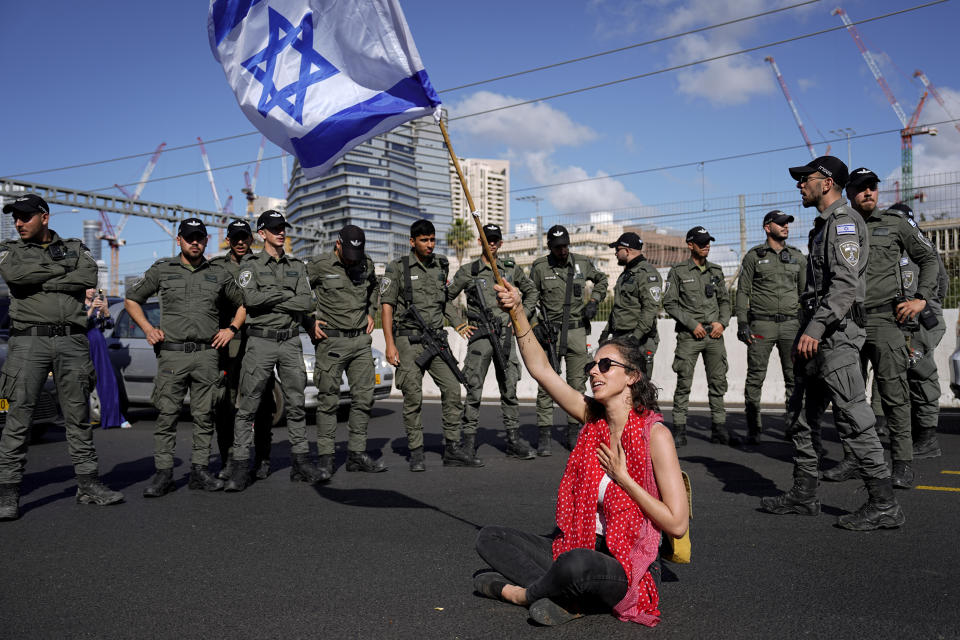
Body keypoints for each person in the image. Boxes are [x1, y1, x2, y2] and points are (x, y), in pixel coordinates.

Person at [473, 279, 688, 627]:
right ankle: (568, 597)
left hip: (624, 562)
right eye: (592, 365)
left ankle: (520, 593)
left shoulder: (655, 435)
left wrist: (625, 479)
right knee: (490, 537)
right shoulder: (593, 418)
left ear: (632, 376)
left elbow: (677, 525)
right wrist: (517, 311)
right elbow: (542, 370)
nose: (593, 371)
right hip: (579, 540)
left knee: (577, 566)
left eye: (605, 366)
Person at [760, 156, 904, 530]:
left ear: (826, 182)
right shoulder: (822, 226)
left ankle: (884, 504)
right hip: (816, 337)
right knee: (801, 417)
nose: (799, 185)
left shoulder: (843, 223)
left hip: (835, 337)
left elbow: (844, 286)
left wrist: (816, 328)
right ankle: (804, 494)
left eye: (804, 179)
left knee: (855, 419)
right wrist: (807, 332)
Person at [0, 193, 123, 520]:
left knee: (78, 416)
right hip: (29, 343)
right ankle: (8, 493)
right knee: (18, 418)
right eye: (16, 217)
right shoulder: (10, 250)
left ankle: (88, 485)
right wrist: (59, 270)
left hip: (72, 341)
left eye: (26, 216)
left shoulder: (76, 247)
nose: (19, 222)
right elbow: (16, 277)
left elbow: (87, 277)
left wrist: (40, 273)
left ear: (45, 217)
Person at [821, 169, 939, 489]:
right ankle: (853, 458)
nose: (868, 193)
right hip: (846, 321)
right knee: (848, 396)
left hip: (886, 321)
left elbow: (929, 259)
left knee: (894, 396)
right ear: (850, 193)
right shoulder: (837, 224)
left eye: (873, 187)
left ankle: (902, 463)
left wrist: (920, 299)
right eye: (861, 188)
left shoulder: (895, 224)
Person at [125, 218, 245, 497]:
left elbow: (242, 303)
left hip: (206, 356)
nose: (195, 242)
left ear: (206, 241)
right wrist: (148, 329)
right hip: (173, 356)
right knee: (167, 416)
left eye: (200, 238)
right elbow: (132, 299)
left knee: (205, 417)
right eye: (190, 237)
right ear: (178, 239)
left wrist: (231, 329)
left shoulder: (218, 272)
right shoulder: (163, 270)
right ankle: (163, 474)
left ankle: (200, 471)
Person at [225, 210, 317, 492]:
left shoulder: (297, 265)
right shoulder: (250, 265)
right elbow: (250, 298)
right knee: (248, 406)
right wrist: (287, 296)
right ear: (261, 233)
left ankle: (300, 463)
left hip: (290, 341)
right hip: (260, 342)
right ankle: (240, 466)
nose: (281, 232)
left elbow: (307, 304)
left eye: (283, 228)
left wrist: (275, 300)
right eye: (275, 228)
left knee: (296, 403)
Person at [381, 219, 478, 471]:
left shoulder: (441, 264)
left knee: (453, 389)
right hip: (408, 340)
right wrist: (390, 344)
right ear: (412, 242)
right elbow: (387, 306)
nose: (430, 245)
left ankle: (453, 448)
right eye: (424, 240)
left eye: (433, 240)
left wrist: (457, 322)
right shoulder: (397, 268)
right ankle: (416, 451)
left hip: (436, 340)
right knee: (413, 396)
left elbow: (444, 301)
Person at [447, 223, 538, 460]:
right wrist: (459, 323)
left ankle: (513, 440)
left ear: (501, 243)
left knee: (509, 389)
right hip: (480, 338)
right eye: (488, 239)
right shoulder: (469, 271)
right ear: (480, 242)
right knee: (473, 389)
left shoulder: (510, 269)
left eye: (496, 239)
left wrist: (520, 316)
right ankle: (468, 442)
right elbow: (444, 299)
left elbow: (532, 293)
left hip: (505, 337)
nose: (493, 244)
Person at [306, 224, 387, 476]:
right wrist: (308, 320)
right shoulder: (319, 264)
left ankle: (356, 455)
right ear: (338, 244)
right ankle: (326, 458)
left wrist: (370, 312)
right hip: (331, 343)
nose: (354, 262)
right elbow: (296, 290)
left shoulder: (367, 264)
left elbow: (375, 287)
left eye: (358, 256)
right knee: (328, 401)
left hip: (361, 343)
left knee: (364, 399)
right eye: (349, 256)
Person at [528, 224, 608, 454]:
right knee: (547, 384)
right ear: (550, 247)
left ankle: (574, 432)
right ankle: (544, 434)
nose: (562, 251)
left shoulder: (582, 262)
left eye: (565, 246)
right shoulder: (540, 267)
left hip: (576, 333)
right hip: (549, 333)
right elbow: (529, 298)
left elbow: (602, 280)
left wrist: (594, 302)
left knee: (577, 384)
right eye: (557, 247)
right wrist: (534, 326)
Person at [210, 219, 275, 482]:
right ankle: (228, 460)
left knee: (262, 403)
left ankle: (262, 459)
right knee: (224, 404)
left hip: (260, 342)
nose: (240, 242)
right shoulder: (215, 267)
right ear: (228, 239)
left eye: (244, 237)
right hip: (227, 344)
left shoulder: (265, 263)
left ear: (252, 239)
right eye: (235, 237)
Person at [735, 211, 806, 444]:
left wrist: (807, 325)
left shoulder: (797, 257)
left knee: (794, 378)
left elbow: (806, 293)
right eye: (781, 223)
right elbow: (743, 291)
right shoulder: (754, 256)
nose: (786, 227)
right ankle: (754, 427)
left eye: (788, 224)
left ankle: (792, 426)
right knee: (755, 377)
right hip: (761, 325)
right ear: (768, 227)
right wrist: (742, 322)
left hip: (791, 325)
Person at [663, 227, 737, 447]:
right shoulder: (678, 271)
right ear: (690, 245)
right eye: (702, 242)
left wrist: (722, 323)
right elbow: (669, 303)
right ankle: (679, 429)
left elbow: (725, 301)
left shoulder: (716, 270)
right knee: (684, 382)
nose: (707, 246)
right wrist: (691, 323)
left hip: (714, 335)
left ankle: (719, 428)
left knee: (718, 383)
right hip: (689, 336)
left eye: (708, 242)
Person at [888, 202, 946, 460]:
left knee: (923, 376)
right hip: (903, 324)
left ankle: (928, 438)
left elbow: (941, 283)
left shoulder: (922, 249)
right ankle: (914, 433)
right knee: (908, 379)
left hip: (921, 323)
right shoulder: (892, 250)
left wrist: (928, 308)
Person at [601, 232, 662, 380]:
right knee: (622, 385)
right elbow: (619, 307)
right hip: (621, 338)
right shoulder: (626, 274)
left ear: (627, 251)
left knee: (640, 386)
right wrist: (606, 331)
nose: (615, 253)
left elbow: (650, 310)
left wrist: (636, 337)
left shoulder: (647, 274)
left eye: (618, 249)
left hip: (640, 340)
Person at [84, 287, 130, 429]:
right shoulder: (75, 303)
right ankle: (83, 419)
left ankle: (114, 417)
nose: (92, 291)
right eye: (88, 288)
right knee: (81, 383)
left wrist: (106, 311)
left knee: (107, 381)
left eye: (93, 287)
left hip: (99, 345)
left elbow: (108, 325)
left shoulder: (100, 301)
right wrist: (91, 308)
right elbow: (80, 323)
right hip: (82, 344)